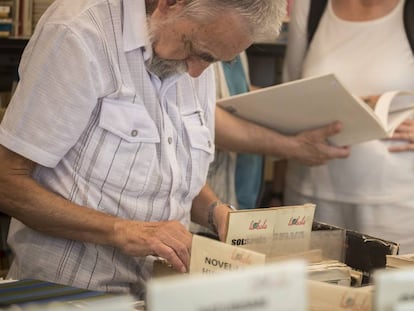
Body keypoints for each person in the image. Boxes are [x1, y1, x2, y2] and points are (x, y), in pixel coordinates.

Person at [0, 0, 349, 297]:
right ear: (170, 2)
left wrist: (215, 212)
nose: (196, 73)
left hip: (164, 290)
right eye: (197, 52)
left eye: (214, 61)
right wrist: (126, 231)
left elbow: (170, 166)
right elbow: (7, 180)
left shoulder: (197, 47)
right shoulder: (78, 33)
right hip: (70, 292)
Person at [283, 0, 414, 253]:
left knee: (390, 290)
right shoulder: (310, 6)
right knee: (313, 290)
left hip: (400, 206)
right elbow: (291, 91)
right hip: (310, 197)